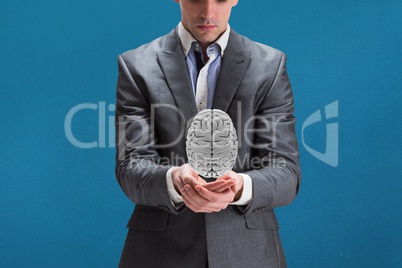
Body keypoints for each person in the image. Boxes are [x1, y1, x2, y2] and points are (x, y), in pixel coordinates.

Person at [114, 0, 301, 267]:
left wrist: (238, 188)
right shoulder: (136, 66)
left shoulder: (269, 66)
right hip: (159, 253)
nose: (208, 12)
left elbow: (286, 171)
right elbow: (130, 166)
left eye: (220, 0)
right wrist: (174, 180)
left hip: (249, 253)